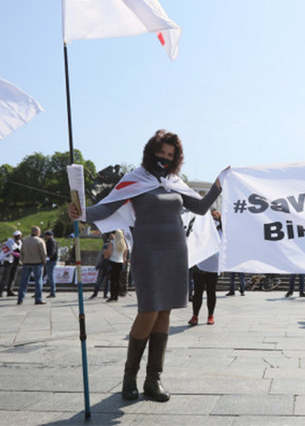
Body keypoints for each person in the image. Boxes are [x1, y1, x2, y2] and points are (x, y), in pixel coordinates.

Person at [68, 130, 222, 402]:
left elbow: (199, 208)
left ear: (176, 159)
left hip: (176, 250)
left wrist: (218, 185)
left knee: (165, 313)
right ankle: (130, 378)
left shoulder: (176, 182)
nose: (164, 158)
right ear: (151, 152)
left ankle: (154, 380)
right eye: (160, 152)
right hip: (148, 251)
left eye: (170, 155)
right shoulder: (134, 180)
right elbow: (104, 209)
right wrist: (81, 213)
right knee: (148, 311)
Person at [17, 226, 47, 305]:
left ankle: (20, 298)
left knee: (24, 281)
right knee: (38, 282)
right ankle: (38, 299)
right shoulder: (40, 240)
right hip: (37, 263)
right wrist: (44, 262)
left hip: (26, 262)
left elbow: (22, 252)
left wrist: (22, 260)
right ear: (37, 232)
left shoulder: (25, 240)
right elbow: (43, 253)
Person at [0, 230, 22, 297]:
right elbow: (10, 251)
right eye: (17, 236)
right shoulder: (10, 242)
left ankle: (10, 290)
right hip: (8, 261)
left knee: (13, 277)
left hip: (15, 262)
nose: (18, 237)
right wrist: (18, 254)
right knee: (5, 277)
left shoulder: (20, 243)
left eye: (19, 236)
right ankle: (0, 292)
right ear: (14, 236)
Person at [89, 233, 113, 299]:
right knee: (103, 280)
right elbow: (102, 255)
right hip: (106, 264)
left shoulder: (109, 245)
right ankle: (99, 293)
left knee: (104, 281)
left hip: (107, 264)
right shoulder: (106, 246)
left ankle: (100, 293)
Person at [106, 229, 126, 302]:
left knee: (112, 280)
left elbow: (108, 253)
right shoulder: (123, 244)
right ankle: (116, 295)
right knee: (117, 280)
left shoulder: (112, 243)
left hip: (113, 261)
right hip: (120, 262)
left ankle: (112, 295)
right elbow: (125, 255)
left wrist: (105, 255)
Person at [43, 230, 58, 298]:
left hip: (51, 260)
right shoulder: (51, 241)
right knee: (46, 275)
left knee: (50, 276)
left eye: (46, 235)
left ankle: (53, 292)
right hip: (50, 260)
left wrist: (49, 257)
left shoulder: (51, 241)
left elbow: (53, 251)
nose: (45, 237)